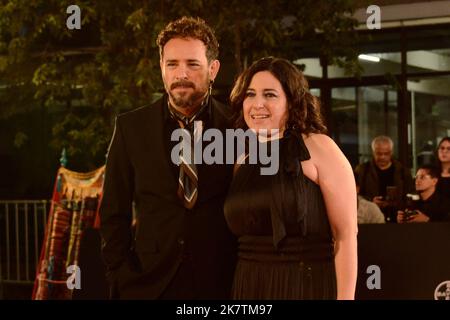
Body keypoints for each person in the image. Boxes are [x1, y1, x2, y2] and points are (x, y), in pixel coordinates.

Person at [100, 16, 236, 299]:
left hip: (222, 283)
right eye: (172, 64)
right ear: (161, 67)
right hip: (148, 284)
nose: (181, 74)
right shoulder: (131, 128)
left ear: (213, 69)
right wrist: (120, 275)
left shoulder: (237, 126)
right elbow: (114, 212)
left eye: (192, 64)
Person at [224, 57, 358, 300]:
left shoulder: (319, 147)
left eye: (270, 95)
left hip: (305, 285)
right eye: (250, 94)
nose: (257, 104)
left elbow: (346, 236)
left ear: (292, 102)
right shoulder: (242, 157)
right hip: (249, 285)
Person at [355, 136, 413, 222]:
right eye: (378, 153)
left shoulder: (402, 170)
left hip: (396, 216)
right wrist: (371, 202)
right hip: (371, 216)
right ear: (373, 152)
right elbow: (356, 192)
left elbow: (408, 193)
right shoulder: (363, 170)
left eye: (386, 153)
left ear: (391, 152)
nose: (382, 157)